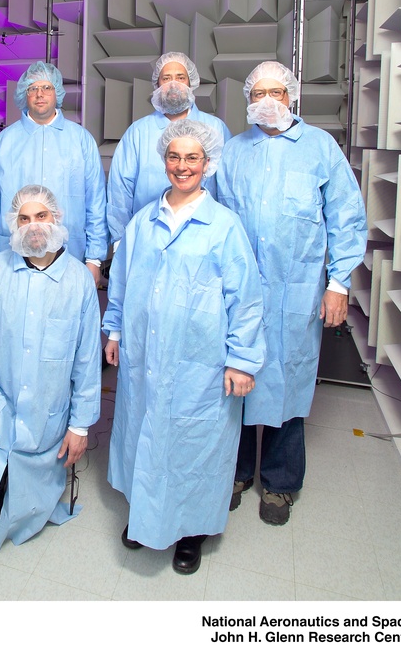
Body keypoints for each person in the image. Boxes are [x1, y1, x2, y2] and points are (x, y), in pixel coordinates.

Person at [103, 119, 265, 575]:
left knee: (194, 444)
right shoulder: (142, 223)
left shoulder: (224, 227)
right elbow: (122, 283)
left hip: (201, 362)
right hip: (145, 356)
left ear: (207, 163)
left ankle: (190, 531)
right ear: (165, 161)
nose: (182, 166)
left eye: (192, 158)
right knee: (143, 434)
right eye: (174, 157)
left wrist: (241, 360)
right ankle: (143, 516)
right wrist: (114, 331)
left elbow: (246, 299)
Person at [217, 60, 368, 526]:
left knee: (288, 380)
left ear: (292, 96)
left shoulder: (320, 148)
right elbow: (218, 220)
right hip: (240, 292)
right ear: (247, 100)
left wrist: (338, 283)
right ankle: (235, 473)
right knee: (235, 379)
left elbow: (347, 217)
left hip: (297, 292)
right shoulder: (233, 152)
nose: (267, 100)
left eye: (276, 92)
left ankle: (280, 483)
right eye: (258, 92)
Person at [0, 185, 102, 551]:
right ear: (13, 225)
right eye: (24, 218)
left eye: (41, 216)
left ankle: (18, 491)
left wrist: (80, 426)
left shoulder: (79, 281)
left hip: (45, 416)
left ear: (57, 219)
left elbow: (86, 362)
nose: (33, 226)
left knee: (31, 498)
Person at [0, 61, 108, 287]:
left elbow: (95, 201)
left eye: (46, 88)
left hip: (69, 253)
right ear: (24, 95)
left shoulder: (81, 140)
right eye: (32, 89)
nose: (40, 94)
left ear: (57, 92)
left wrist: (94, 259)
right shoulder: (5, 142)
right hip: (13, 255)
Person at [106, 51, 232, 248]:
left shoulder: (215, 129)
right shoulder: (138, 132)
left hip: (204, 239)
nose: (173, 84)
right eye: (166, 78)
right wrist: (121, 239)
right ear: (157, 86)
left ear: (192, 84)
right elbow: (120, 189)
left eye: (180, 78)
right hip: (148, 238)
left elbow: (227, 189)